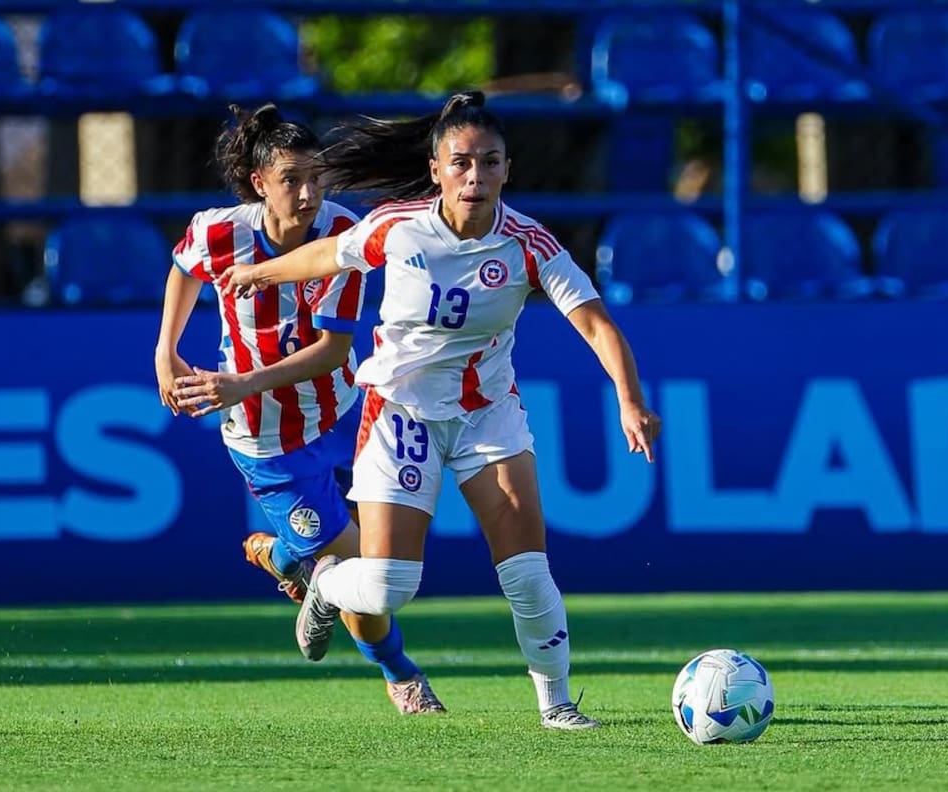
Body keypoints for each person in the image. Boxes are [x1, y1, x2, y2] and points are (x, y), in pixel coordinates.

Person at [215, 91, 661, 730]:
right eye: (461, 163)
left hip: (488, 415)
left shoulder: (529, 243)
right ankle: (326, 584)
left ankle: (557, 705)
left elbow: (596, 325)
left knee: (528, 572)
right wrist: (263, 275)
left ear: (508, 169)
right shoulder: (400, 227)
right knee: (388, 589)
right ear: (436, 170)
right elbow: (330, 254)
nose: (475, 176)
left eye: (490, 162)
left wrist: (629, 400)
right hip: (402, 416)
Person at [155, 103, 444, 715]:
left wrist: (242, 382)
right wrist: (165, 349)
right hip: (267, 443)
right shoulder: (218, 231)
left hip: (344, 417)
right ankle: (404, 676)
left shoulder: (343, 236)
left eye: (317, 177)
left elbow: (330, 351)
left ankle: (282, 555)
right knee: (367, 569)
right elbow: (184, 269)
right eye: (292, 179)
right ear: (260, 183)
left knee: (357, 558)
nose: (309, 192)